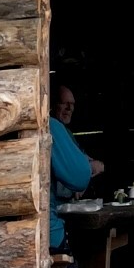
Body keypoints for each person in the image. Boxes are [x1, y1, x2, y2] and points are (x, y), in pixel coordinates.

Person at [48, 82, 103, 254]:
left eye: (72, 105)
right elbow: (79, 176)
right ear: (50, 103)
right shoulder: (51, 126)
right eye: (64, 103)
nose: (69, 108)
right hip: (49, 231)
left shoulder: (65, 133)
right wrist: (89, 168)